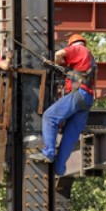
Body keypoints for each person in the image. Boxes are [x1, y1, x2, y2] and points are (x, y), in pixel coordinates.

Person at [29, 33, 97, 176]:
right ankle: (59, 169)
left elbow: (60, 54)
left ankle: (48, 153)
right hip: (87, 99)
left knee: (50, 116)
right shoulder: (90, 57)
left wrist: (56, 62)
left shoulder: (77, 49)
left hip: (78, 94)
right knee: (70, 136)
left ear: (72, 44)